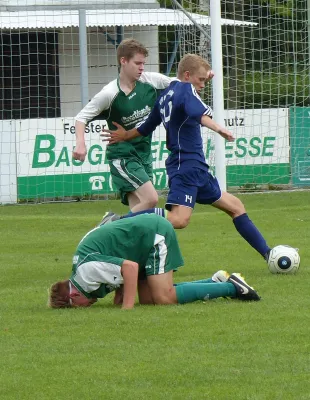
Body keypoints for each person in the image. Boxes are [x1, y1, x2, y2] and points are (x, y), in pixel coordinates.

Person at [101, 54, 271, 262]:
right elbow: (198, 113)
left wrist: (126, 135)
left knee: (236, 207)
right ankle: (118, 222)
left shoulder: (164, 97)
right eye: (201, 80)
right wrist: (219, 129)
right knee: (179, 220)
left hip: (194, 166)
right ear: (187, 75)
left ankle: (269, 254)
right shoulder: (185, 89)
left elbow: (145, 128)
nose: (202, 85)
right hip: (186, 166)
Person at [48, 214, 260, 309]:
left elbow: (129, 268)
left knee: (163, 298)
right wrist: (121, 296)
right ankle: (214, 282)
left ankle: (233, 288)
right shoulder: (82, 275)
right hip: (139, 244)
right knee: (149, 301)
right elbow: (118, 264)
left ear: (73, 296)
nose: (86, 307)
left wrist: (127, 308)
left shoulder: (85, 276)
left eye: (78, 307)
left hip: (152, 235)